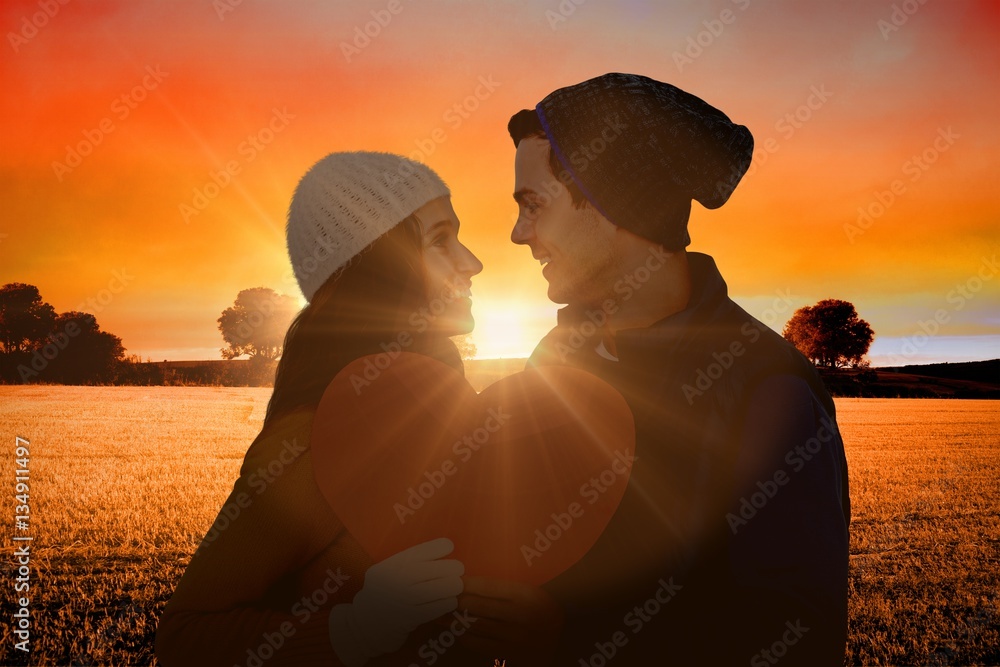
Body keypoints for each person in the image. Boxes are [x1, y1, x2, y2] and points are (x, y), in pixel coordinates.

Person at [155, 151, 561, 667]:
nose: (473, 262)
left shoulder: (454, 417)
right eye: (439, 240)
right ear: (378, 267)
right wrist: (355, 629)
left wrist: (536, 632)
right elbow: (184, 639)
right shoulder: (308, 442)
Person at [505, 73, 851, 665]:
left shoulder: (769, 391)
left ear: (619, 206)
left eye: (533, 205)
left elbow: (792, 641)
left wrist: (566, 636)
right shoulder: (552, 362)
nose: (518, 234)